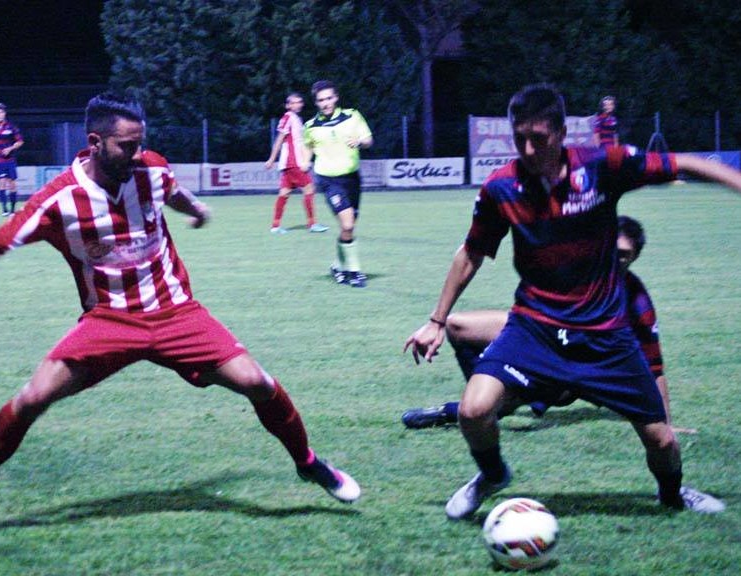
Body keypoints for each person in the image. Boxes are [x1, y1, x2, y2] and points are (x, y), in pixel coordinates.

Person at [0, 93, 360, 537]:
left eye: (139, 142)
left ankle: (308, 464)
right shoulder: (59, 200)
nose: (136, 152)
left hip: (176, 313)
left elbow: (174, 193)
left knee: (258, 383)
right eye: (126, 145)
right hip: (108, 322)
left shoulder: (150, 168)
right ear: (95, 141)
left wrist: (198, 211)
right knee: (31, 399)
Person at [404, 83, 741, 521]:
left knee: (662, 441)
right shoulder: (501, 188)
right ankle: (491, 475)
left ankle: (673, 495)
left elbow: (686, 164)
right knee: (474, 410)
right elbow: (471, 252)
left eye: (538, 138)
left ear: (562, 133)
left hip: (604, 336)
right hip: (534, 329)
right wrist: (436, 319)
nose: (528, 149)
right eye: (519, 138)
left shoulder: (603, 166)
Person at [402, 216, 677, 429]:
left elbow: (654, 366)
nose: (614, 259)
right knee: (457, 325)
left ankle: (471, 408)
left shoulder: (635, 299)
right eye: (610, 250)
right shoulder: (568, 269)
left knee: (501, 400)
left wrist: (666, 424)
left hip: (574, 369)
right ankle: (490, 398)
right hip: (539, 339)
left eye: (624, 255)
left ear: (635, 257)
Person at [303, 80, 372, 288]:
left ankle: (338, 266)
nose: (325, 103)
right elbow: (309, 147)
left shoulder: (353, 116)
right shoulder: (310, 126)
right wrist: (305, 162)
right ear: (316, 102)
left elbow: (369, 140)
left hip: (352, 179)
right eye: (321, 100)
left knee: (348, 228)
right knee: (348, 224)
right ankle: (354, 271)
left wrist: (360, 142)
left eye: (329, 98)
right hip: (328, 180)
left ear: (336, 98)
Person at [264, 92, 329, 235]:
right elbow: (280, 139)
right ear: (288, 105)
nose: (297, 104)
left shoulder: (296, 119)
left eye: (299, 102)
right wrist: (271, 159)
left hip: (289, 164)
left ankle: (275, 226)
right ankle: (312, 224)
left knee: (284, 193)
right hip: (294, 163)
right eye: (293, 102)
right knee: (309, 189)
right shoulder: (289, 117)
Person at [0, 103, 24, 216]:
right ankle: (4, 209)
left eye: (1, 112)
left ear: (4, 113)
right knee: (1, 183)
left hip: (10, 159)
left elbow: (20, 141)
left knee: (12, 184)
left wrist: (10, 148)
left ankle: (12, 210)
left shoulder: (12, 127)